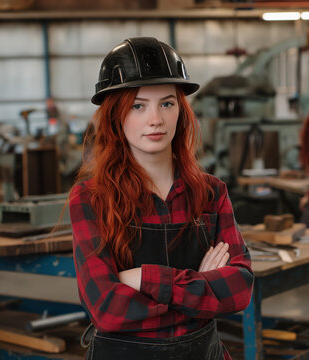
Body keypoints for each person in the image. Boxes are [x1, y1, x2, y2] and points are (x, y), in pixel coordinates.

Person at [68, 37, 254, 360]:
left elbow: (239, 288)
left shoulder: (212, 194)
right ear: (116, 116)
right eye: (138, 106)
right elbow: (107, 308)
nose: (155, 119)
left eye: (167, 104)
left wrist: (143, 279)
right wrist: (202, 288)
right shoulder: (90, 199)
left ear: (180, 112)